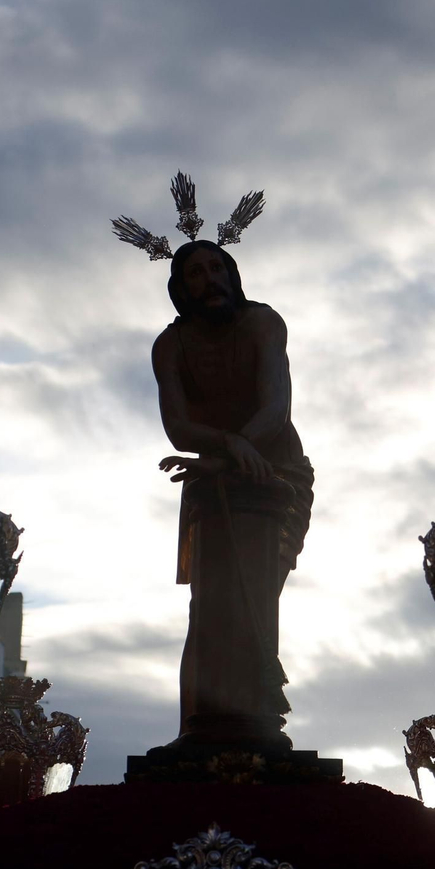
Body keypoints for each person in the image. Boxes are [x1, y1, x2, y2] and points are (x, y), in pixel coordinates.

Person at [150, 240, 314, 747]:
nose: (209, 278)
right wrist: (225, 449)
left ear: (232, 272)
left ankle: (257, 722)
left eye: (216, 267)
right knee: (209, 605)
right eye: (195, 272)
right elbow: (178, 427)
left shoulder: (263, 323)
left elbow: (277, 409)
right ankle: (201, 725)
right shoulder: (170, 345)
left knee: (253, 596)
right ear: (181, 287)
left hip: (274, 478)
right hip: (211, 480)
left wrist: (230, 452)